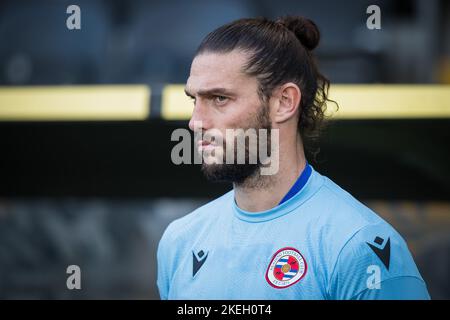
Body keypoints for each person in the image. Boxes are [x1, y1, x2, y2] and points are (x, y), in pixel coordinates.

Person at [157, 16, 430, 299]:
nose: (195, 122)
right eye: (194, 100)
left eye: (219, 99)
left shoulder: (359, 245)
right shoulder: (179, 241)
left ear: (284, 102)